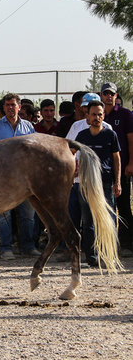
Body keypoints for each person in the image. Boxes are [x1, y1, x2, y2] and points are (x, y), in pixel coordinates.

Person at [0, 93, 40, 260]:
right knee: (4, 216)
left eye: (13, 105)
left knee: (27, 215)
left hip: (25, 180)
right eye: (7, 105)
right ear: (4, 108)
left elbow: (34, 152)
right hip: (3, 180)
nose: (10, 108)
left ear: (19, 107)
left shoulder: (29, 127)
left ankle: (28, 247)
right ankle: (6, 248)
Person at [75, 100, 121, 266]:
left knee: (108, 220)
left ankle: (110, 256)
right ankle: (92, 258)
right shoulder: (81, 136)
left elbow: (117, 159)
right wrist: (74, 168)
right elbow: (71, 154)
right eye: (93, 114)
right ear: (87, 116)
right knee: (88, 222)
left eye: (100, 114)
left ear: (103, 116)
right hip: (86, 184)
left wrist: (118, 182)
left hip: (106, 183)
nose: (97, 117)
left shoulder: (110, 134)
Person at [99, 82, 133, 256]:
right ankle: (107, 244)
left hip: (122, 167)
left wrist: (131, 163)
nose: (108, 96)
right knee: (103, 207)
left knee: (123, 206)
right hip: (102, 170)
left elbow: (130, 140)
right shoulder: (97, 114)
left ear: (116, 95)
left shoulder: (125, 114)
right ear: (101, 95)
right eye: (105, 93)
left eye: (111, 94)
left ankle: (126, 244)